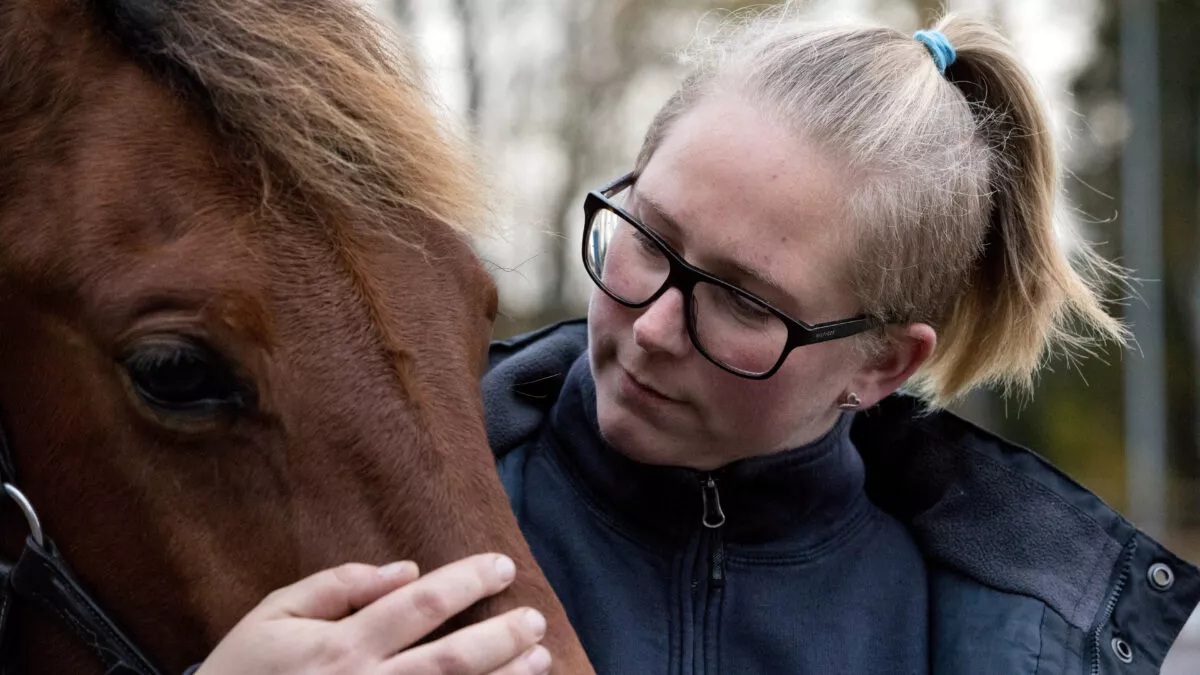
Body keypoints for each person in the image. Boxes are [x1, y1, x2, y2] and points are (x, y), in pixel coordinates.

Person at [196, 7, 1200, 675]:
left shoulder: (1008, 633)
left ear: (884, 364)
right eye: (648, 238)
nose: (654, 326)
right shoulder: (378, 503)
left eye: (743, 302)